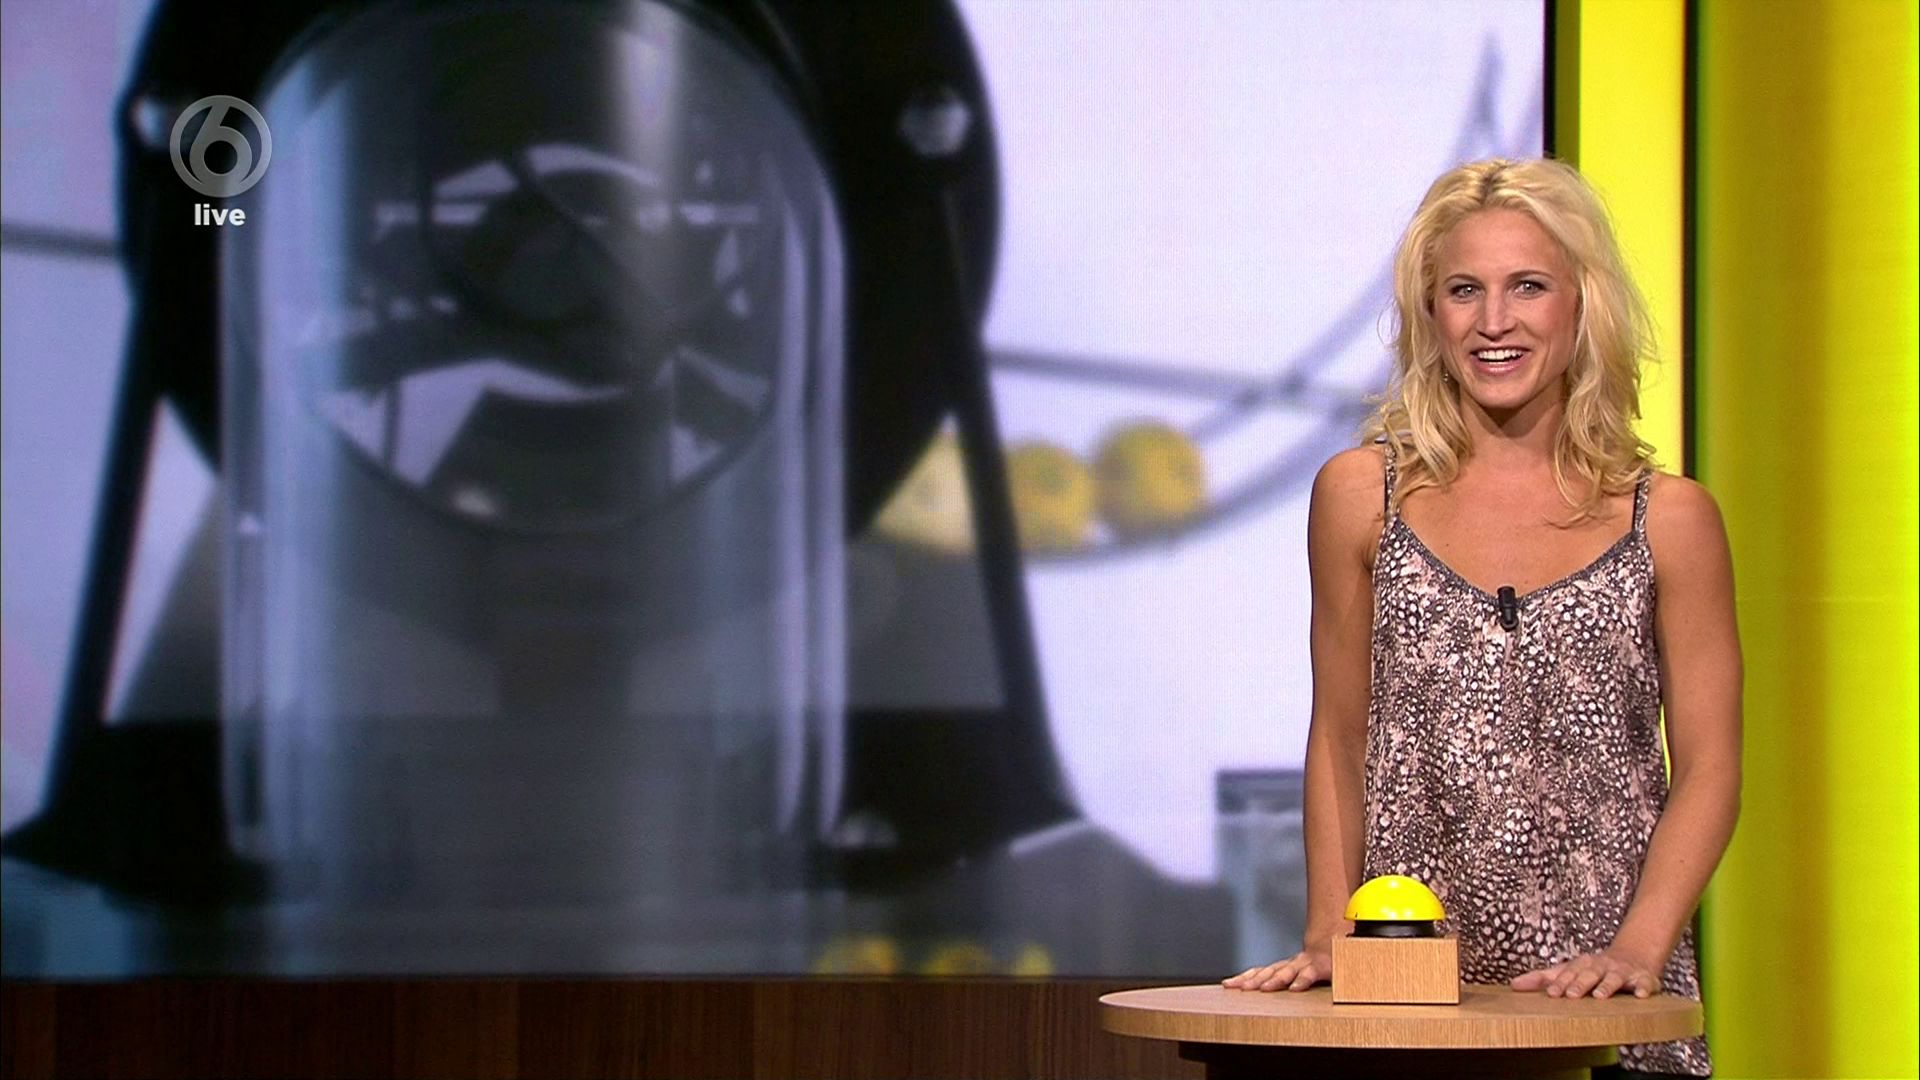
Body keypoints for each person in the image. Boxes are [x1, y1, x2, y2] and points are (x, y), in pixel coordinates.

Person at [1222, 157, 1742, 1078]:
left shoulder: (1669, 519)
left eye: (1528, 287)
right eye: (1465, 290)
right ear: (1431, 313)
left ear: (1582, 304)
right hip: (1408, 1003)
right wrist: (1329, 931)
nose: (1494, 321)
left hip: (1607, 1008)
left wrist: (1638, 951)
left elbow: (1709, 768)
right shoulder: (1361, 497)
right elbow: (1339, 736)